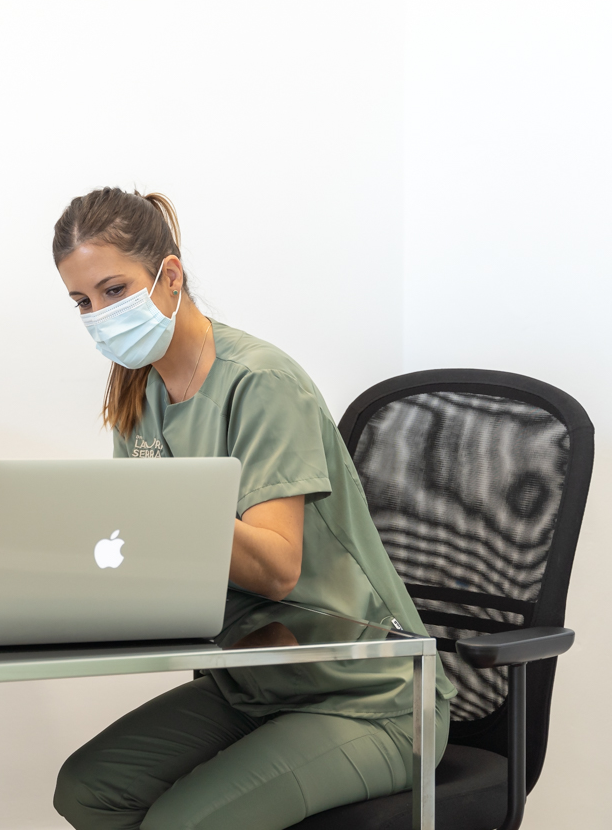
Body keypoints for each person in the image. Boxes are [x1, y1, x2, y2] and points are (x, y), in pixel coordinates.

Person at [47, 188, 456, 830]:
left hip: (369, 695)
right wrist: (52, 558)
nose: (100, 315)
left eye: (114, 290)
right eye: (82, 302)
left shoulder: (260, 382)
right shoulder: (138, 390)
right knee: (88, 790)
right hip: (253, 679)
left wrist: (165, 506)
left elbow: (276, 569)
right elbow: (142, 549)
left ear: (170, 275)